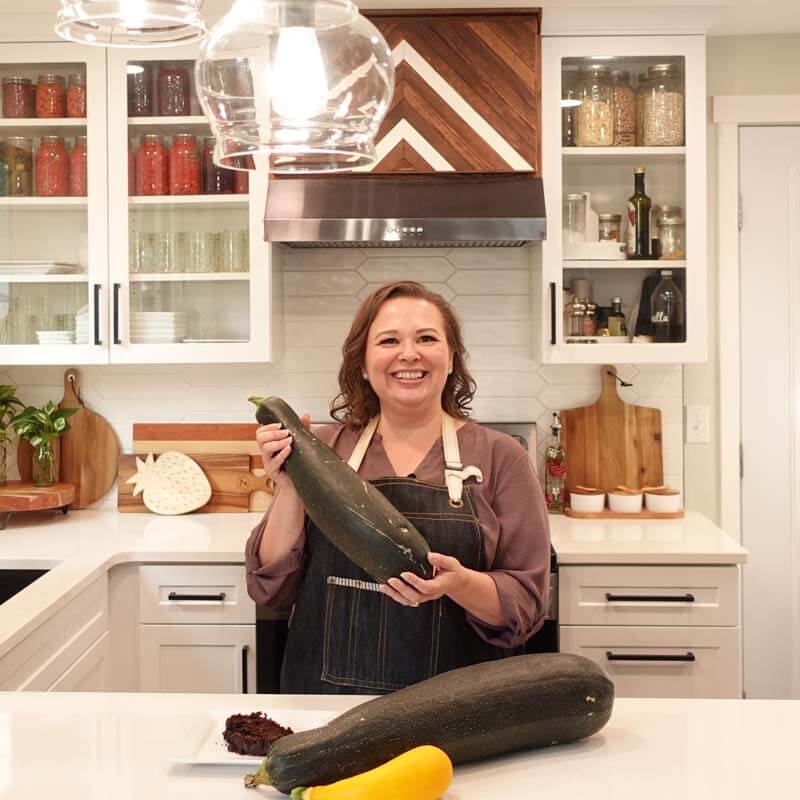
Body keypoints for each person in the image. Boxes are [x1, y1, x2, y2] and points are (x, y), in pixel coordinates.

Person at [245, 280, 550, 694]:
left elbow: (526, 606)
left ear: (451, 356)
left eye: (427, 338)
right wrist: (289, 484)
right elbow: (270, 587)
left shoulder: (501, 456)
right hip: (330, 709)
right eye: (389, 340)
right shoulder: (324, 449)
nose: (409, 354)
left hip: (460, 713)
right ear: (363, 363)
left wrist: (459, 584)